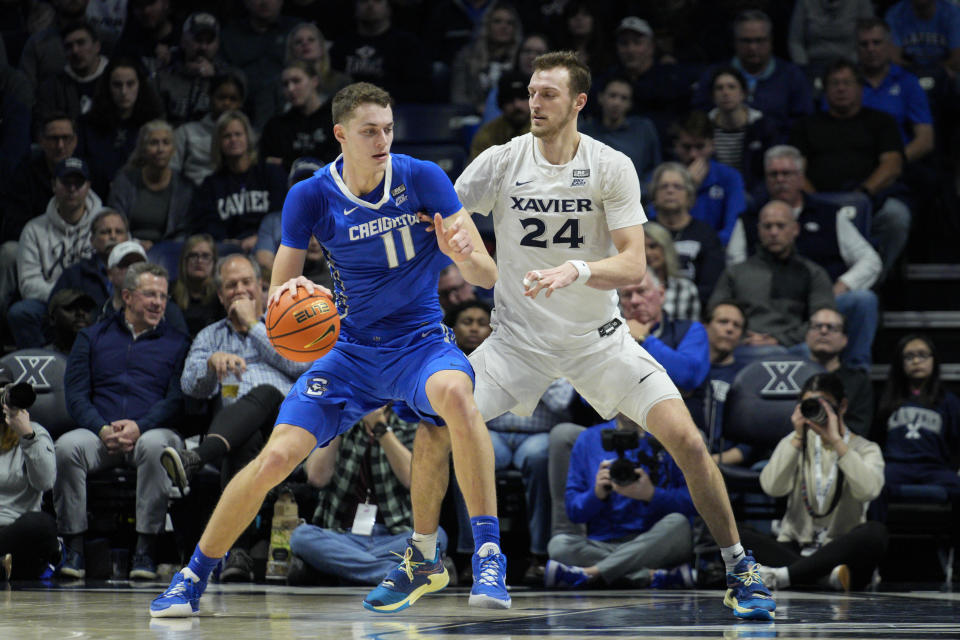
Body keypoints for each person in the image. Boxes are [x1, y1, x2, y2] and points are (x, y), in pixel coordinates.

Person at [150, 82, 503, 617]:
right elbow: (281, 296)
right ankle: (192, 576)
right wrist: (298, 309)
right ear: (341, 135)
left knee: (454, 396)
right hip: (351, 350)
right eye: (369, 131)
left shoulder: (424, 178)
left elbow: (486, 274)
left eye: (387, 128)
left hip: (420, 343)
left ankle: (487, 554)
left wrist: (463, 253)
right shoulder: (310, 195)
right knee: (275, 458)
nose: (382, 139)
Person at [453, 51, 775, 620]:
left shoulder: (611, 165)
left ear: (579, 101)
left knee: (691, 442)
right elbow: (447, 217)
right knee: (439, 419)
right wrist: (479, 265)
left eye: (548, 93)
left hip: (598, 338)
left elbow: (633, 266)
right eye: (530, 92)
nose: (534, 103)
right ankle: (466, 555)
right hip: (516, 340)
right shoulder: (500, 161)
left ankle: (739, 565)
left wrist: (576, 269)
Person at [162, 253, 309, 581]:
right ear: (220, 295)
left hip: (287, 425)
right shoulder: (210, 336)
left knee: (269, 392)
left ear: (261, 286)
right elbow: (190, 386)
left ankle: (196, 458)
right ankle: (239, 554)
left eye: (246, 282)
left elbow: (301, 366)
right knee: (245, 441)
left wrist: (254, 327)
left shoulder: (286, 322)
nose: (239, 290)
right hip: (235, 429)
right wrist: (212, 364)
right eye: (231, 285)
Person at [56, 261, 189, 580]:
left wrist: (139, 426)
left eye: (163, 296)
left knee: (158, 446)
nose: (158, 303)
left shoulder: (178, 342)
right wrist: (101, 428)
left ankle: (145, 550)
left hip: (150, 432)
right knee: (65, 447)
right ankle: (73, 548)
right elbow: (75, 395)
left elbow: (176, 398)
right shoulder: (92, 336)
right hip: (101, 433)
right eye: (150, 295)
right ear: (127, 296)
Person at [727, 145, 881, 371]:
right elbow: (735, 268)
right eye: (774, 174)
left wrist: (839, 288)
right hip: (773, 305)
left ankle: (855, 373)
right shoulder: (750, 219)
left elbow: (870, 260)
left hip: (822, 302)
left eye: (787, 174)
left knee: (863, 300)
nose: (780, 180)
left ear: (801, 178)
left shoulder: (829, 214)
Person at [744, 373, 887, 592]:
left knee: (875, 533)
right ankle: (819, 577)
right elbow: (772, 487)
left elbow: (868, 491)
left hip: (839, 552)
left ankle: (787, 575)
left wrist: (837, 443)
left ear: (843, 406)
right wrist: (798, 438)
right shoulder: (794, 442)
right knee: (730, 533)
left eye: (825, 405)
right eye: (809, 405)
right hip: (795, 547)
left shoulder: (866, 448)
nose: (818, 411)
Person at [289, 406, 448, 585]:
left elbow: (414, 480)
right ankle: (394, 574)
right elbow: (316, 477)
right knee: (301, 537)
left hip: (393, 537)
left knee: (436, 537)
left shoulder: (409, 423)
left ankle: (348, 569)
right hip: (343, 536)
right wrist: (340, 424)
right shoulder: (340, 423)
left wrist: (381, 428)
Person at [789, 59, 909, 280]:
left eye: (847, 82)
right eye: (834, 83)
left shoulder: (881, 122)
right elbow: (797, 171)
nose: (841, 88)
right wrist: (815, 201)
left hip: (870, 201)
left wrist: (863, 194)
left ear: (860, 88)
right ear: (824, 90)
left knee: (897, 216)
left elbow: (892, 164)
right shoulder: (806, 126)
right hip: (818, 202)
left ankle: (874, 279)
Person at [544, 414, 696, 589]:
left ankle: (590, 574)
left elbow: (692, 503)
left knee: (679, 525)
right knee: (559, 545)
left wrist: (652, 494)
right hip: (603, 543)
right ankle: (649, 576)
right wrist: (596, 494)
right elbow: (573, 511)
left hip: (653, 540)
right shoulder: (588, 439)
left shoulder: (669, 436)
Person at [709, 200, 834, 357]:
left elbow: (822, 320)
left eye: (780, 226)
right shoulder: (735, 272)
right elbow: (716, 313)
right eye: (767, 226)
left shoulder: (813, 273)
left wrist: (780, 340)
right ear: (759, 230)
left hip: (795, 347)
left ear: (795, 229)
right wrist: (743, 336)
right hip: (745, 344)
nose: (773, 232)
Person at [11, 157, 102, 349]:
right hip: (50, 302)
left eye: (78, 183)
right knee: (21, 312)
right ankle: (41, 366)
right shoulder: (34, 229)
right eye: (66, 182)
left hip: (95, 301)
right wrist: (64, 299)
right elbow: (28, 284)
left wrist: (86, 299)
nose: (72, 189)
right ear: (54, 185)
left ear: (88, 186)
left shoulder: (106, 223)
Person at [692, 10, 813, 140]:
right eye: (746, 41)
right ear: (735, 42)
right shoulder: (714, 74)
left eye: (760, 40)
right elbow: (699, 117)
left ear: (771, 41)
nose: (753, 47)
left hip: (778, 150)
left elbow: (802, 122)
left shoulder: (791, 75)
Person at [874, 334, 960, 499]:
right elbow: (877, 438)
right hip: (896, 466)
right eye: (909, 357)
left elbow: (955, 441)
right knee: (872, 485)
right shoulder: (886, 399)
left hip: (933, 467)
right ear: (900, 363)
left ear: (934, 360)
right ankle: (876, 526)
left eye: (922, 355)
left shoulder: (948, 401)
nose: (916, 361)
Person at [188, 110, 288, 252]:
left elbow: (282, 213)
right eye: (227, 136)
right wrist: (227, 241)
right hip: (228, 248)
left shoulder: (271, 173)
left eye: (238, 134)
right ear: (219, 143)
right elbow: (206, 223)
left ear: (248, 137)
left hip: (269, 245)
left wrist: (260, 238)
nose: (233, 139)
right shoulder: (211, 185)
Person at [0, 364, 60, 581]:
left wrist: (27, 436)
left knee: (41, 525)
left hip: (15, 531)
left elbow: (45, 482)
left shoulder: (35, 433)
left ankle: (4, 565)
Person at [78, 56, 163, 199]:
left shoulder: (153, 125)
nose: (124, 91)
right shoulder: (87, 124)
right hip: (94, 196)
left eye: (130, 84)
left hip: (142, 196)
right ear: (108, 87)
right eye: (117, 85)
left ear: (140, 85)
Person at [657, 112, 747, 246]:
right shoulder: (663, 177)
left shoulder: (730, 177)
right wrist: (687, 185)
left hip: (717, 251)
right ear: (676, 146)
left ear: (712, 145)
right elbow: (656, 223)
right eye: (686, 147)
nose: (693, 155)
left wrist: (703, 248)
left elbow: (731, 229)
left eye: (700, 147)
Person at [645, 162, 726, 309]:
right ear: (654, 195)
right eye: (664, 186)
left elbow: (712, 285)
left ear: (689, 196)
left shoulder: (706, 235)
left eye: (677, 186)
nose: (670, 191)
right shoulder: (643, 233)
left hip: (692, 309)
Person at [107, 119, 194, 249]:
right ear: (143, 149)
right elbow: (115, 222)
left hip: (169, 252)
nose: (160, 149)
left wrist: (163, 249)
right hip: (128, 247)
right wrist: (134, 244)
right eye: (154, 143)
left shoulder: (184, 187)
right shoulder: (125, 181)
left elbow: (183, 230)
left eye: (166, 143)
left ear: (173, 149)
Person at [329, 0, 430, 103]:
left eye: (378, 1)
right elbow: (331, 82)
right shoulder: (342, 45)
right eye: (364, 1)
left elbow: (419, 87)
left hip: (395, 109)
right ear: (355, 8)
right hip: (348, 108)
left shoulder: (407, 44)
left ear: (388, 8)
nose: (370, 5)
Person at [219, 0, 298, 128]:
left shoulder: (296, 31)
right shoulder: (230, 34)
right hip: (241, 107)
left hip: (288, 104)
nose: (265, 2)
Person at [154, 12, 239, 127]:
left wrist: (215, 77)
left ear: (217, 43)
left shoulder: (226, 74)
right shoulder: (166, 71)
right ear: (184, 40)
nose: (203, 47)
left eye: (209, 41)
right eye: (198, 40)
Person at [707, 66, 779, 194]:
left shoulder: (762, 126)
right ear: (713, 96)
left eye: (731, 87)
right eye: (719, 88)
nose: (725, 92)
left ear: (743, 93)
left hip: (751, 192)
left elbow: (771, 169)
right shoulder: (705, 127)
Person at [805, 308, 874, 437]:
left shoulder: (858, 381)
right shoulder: (793, 375)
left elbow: (859, 430)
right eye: (817, 326)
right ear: (807, 335)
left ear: (844, 340)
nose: (823, 331)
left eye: (832, 328)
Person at [170, 72, 245, 188]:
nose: (226, 103)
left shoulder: (248, 137)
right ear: (210, 98)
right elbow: (171, 172)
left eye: (233, 99)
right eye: (221, 97)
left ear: (240, 103)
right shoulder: (186, 133)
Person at [260, 61, 338, 172]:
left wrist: (286, 163)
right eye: (285, 84)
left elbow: (339, 163)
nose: (290, 89)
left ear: (314, 81)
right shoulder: (276, 126)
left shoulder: (336, 119)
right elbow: (269, 165)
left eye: (296, 81)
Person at [580, 77, 660, 184]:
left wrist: (641, 191)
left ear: (630, 104)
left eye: (624, 98)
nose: (617, 102)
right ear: (601, 98)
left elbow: (655, 168)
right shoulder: (584, 131)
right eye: (612, 96)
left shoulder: (643, 129)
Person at [449, 1, 522, 114]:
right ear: (487, 25)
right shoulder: (466, 57)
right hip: (473, 117)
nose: (504, 27)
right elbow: (458, 96)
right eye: (497, 21)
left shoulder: (522, 57)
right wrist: (476, 109)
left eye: (510, 23)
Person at [702, 301, 752, 465]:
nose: (729, 329)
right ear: (706, 326)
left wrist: (711, 462)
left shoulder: (747, 377)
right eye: (723, 322)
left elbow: (750, 442)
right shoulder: (687, 372)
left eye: (737, 326)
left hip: (728, 465)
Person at [50, 208, 128, 310]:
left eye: (118, 232)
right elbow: (53, 314)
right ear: (92, 240)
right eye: (105, 232)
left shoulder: (140, 275)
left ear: (127, 239)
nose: (113, 236)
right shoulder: (74, 274)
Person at [34, 20, 108, 123]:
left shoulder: (116, 79)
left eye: (81, 43)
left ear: (97, 46)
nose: (75, 51)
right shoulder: (51, 88)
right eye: (68, 46)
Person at [788, 0, 874, 72]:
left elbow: (868, 34)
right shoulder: (805, 2)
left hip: (851, 65)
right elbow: (795, 42)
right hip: (812, 65)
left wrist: (855, 65)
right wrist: (804, 68)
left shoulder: (860, 2)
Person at [642, 222, 700, 323]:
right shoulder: (627, 290)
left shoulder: (686, 289)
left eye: (653, 246)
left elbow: (691, 333)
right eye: (641, 249)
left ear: (666, 248)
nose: (648, 253)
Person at [884, 0, 960, 76]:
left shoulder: (952, 13)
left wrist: (937, 70)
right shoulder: (896, 14)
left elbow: (957, 58)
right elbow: (893, 59)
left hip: (944, 71)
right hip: (909, 73)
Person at [469, 71, 531, 162]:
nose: (517, 105)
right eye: (509, 100)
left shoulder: (549, 131)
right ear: (500, 104)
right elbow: (478, 173)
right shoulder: (487, 135)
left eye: (522, 98)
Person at [168, 234, 223, 337]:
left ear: (214, 262)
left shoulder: (221, 296)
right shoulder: (169, 291)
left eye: (205, 256)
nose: (199, 261)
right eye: (193, 255)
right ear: (185, 260)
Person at [284, 22, 351, 103]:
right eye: (298, 42)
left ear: (321, 46)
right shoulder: (283, 84)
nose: (305, 43)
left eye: (311, 40)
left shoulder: (342, 82)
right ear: (292, 50)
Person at [45, 288, 97, 355]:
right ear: (52, 318)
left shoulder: (105, 355)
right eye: (70, 308)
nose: (81, 313)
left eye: (86, 308)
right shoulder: (42, 359)